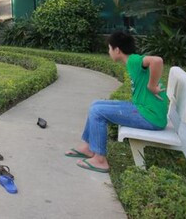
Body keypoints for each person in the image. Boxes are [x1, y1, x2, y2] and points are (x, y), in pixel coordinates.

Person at [66, 30, 169, 173]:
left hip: (150, 116)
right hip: (146, 110)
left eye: (109, 48)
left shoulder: (133, 60)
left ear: (117, 50)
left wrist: (151, 86)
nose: (108, 52)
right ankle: (87, 147)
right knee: (95, 104)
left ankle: (100, 160)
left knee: (97, 111)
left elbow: (157, 60)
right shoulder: (132, 61)